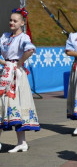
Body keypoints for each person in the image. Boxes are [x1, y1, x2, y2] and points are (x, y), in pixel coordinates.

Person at [0, 8, 40, 153]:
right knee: (2, 104)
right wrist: (5, 63)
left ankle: (21, 142)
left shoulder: (23, 38)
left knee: (15, 105)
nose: (11, 22)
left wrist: (18, 63)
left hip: (16, 75)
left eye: (15, 20)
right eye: (10, 20)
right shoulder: (5, 36)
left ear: (22, 23)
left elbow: (30, 50)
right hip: (5, 73)